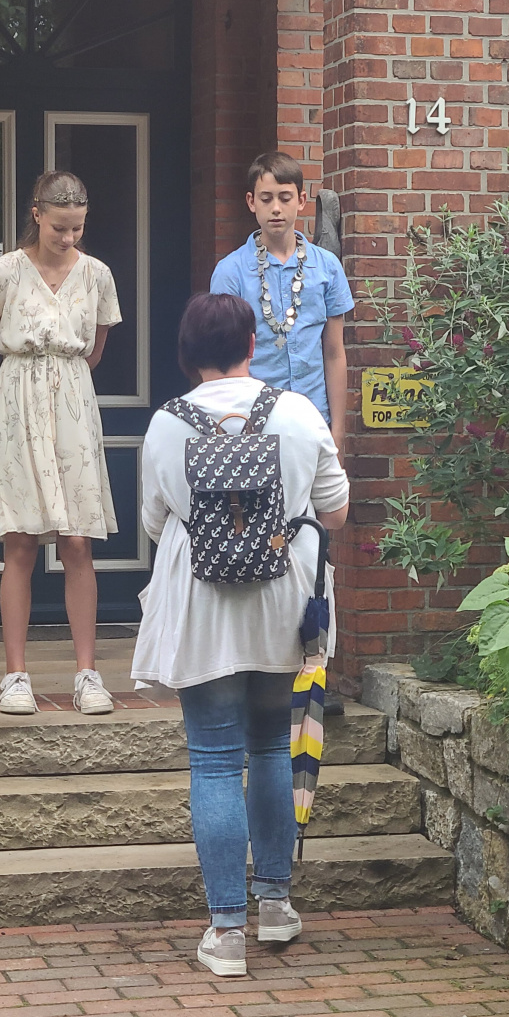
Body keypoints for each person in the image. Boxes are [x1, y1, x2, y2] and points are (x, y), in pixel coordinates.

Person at [132, 293, 350, 977]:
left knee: (215, 760)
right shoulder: (298, 411)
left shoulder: (166, 424)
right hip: (284, 603)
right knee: (272, 749)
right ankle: (276, 904)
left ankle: (226, 934)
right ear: (252, 345)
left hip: (203, 609)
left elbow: (154, 521)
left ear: (185, 353)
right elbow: (336, 512)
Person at [0, 170, 121, 717]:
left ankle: (87, 674)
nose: (68, 237)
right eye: (60, 227)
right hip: (17, 402)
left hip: (73, 406)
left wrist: (62, 388)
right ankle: (15, 676)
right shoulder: (7, 270)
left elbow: (94, 350)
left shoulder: (97, 274)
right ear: (37, 215)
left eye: (77, 228)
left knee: (78, 541)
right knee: (20, 541)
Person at [209, 151, 354, 452]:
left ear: (301, 200)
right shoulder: (230, 271)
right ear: (251, 202)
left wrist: (338, 432)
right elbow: (222, 358)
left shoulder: (327, 267)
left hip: (314, 420)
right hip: (252, 423)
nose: (276, 208)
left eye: (285, 198)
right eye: (266, 199)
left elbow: (334, 352)